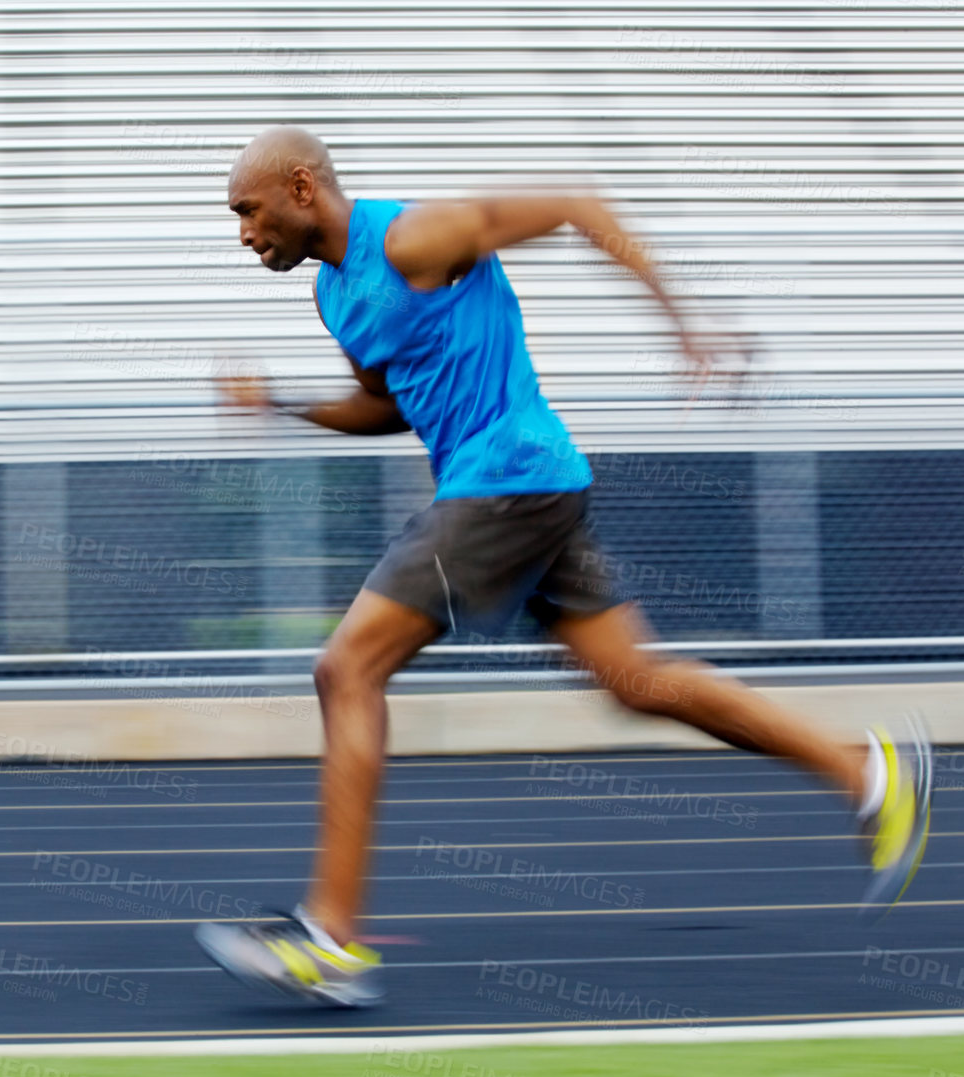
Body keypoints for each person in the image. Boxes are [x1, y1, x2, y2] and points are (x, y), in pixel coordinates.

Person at [192, 126, 932, 1008]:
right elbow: (385, 405)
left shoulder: (413, 237)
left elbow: (576, 203)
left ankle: (331, 939)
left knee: (345, 668)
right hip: (528, 485)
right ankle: (867, 774)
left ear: (302, 188)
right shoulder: (334, 296)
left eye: (248, 209)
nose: (242, 232)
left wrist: (684, 325)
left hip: (504, 481)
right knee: (635, 681)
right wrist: (282, 405)